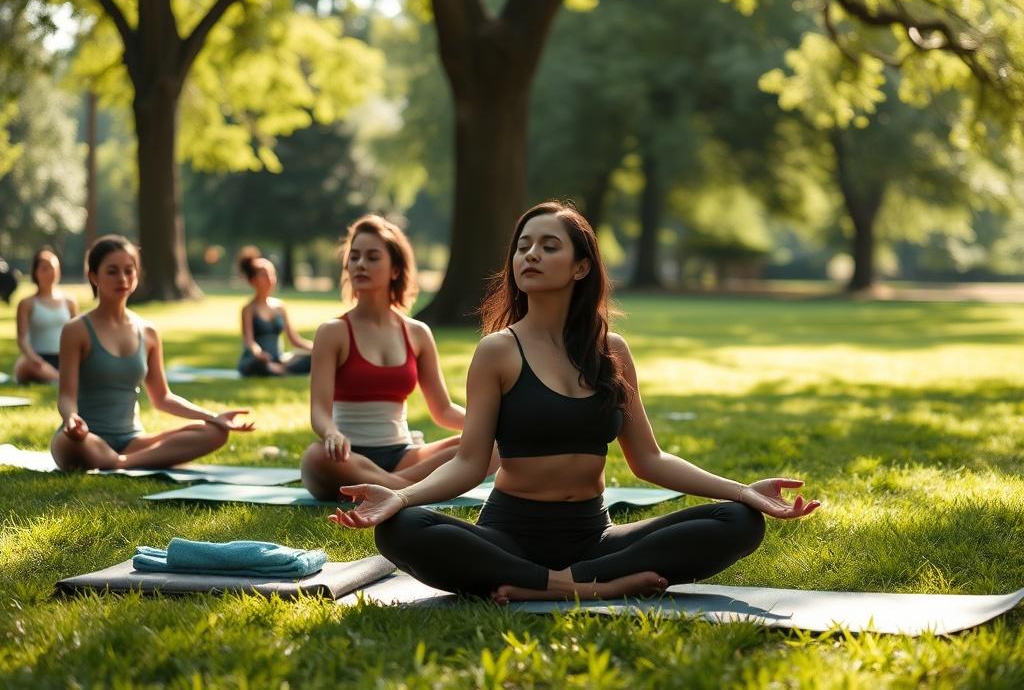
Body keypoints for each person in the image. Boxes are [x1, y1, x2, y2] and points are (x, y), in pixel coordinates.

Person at [330, 201, 820, 603]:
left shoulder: (613, 353)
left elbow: (649, 460)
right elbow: (468, 463)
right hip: (509, 535)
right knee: (402, 529)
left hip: (593, 537)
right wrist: (401, 496)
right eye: (522, 246)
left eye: (548, 246)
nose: (530, 255)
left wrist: (741, 491)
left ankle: (552, 584)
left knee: (737, 521)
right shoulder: (498, 351)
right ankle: (580, 587)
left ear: (581, 266)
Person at [301, 215, 483, 499]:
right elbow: (319, 412)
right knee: (315, 458)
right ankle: (416, 488)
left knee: (492, 445)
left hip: (403, 455)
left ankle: (390, 487)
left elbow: (443, 410)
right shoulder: (333, 332)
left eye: (373, 257)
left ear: (395, 269)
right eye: (355, 257)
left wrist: (490, 425)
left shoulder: (417, 333)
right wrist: (332, 434)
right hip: (348, 457)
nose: (360, 264)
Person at [51, 235, 254, 471]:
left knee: (216, 432)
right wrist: (71, 420)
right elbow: (66, 395)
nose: (123, 279)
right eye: (112, 271)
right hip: (83, 439)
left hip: (132, 442)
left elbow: (162, 398)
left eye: (129, 270)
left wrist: (213, 417)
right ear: (93, 276)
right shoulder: (76, 330)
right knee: (71, 444)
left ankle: (121, 462)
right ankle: (119, 460)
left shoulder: (148, 332)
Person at [237, 249, 313, 376]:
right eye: (263, 274)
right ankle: (277, 369)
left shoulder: (280, 307)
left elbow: (294, 339)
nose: (269, 278)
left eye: (272, 274)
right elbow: (249, 341)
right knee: (259, 365)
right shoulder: (249, 309)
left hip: (278, 359)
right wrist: (258, 353)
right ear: (253, 280)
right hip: (257, 360)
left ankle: (279, 369)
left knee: (312, 358)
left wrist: (317, 348)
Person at [14, 247, 77, 384]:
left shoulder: (69, 302)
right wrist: (34, 358)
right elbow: (22, 339)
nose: (50, 272)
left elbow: (77, 335)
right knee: (25, 364)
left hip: (64, 359)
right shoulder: (26, 303)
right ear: (36, 272)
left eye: (53, 267)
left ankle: (58, 378)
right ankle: (60, 380)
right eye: (45, 268)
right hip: (36, 360)